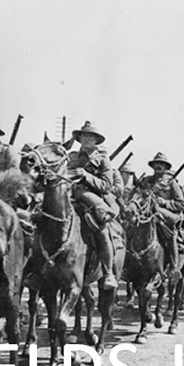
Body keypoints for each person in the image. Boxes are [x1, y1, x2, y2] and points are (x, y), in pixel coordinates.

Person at [67, 121, 119, 290]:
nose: (87, 139)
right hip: (68, 193)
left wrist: (86, 176)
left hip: (90, 196)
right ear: (79, 138)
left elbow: (107, 186)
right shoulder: (72, 157)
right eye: (84, 135)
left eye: (91, 136)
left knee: (100, 224)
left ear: (96, 140)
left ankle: (109, 272)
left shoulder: (103, 160)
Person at [139, 153, 184, 282]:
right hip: (147, 214)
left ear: (165, 167)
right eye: (156, 164)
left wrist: (164, 202)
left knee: (171, 233)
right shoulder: (146, 181)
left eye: (161, 164)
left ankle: (174, 267)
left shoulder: (171, 183)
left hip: (166, 216)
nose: (158, 166)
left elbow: (182, 204)